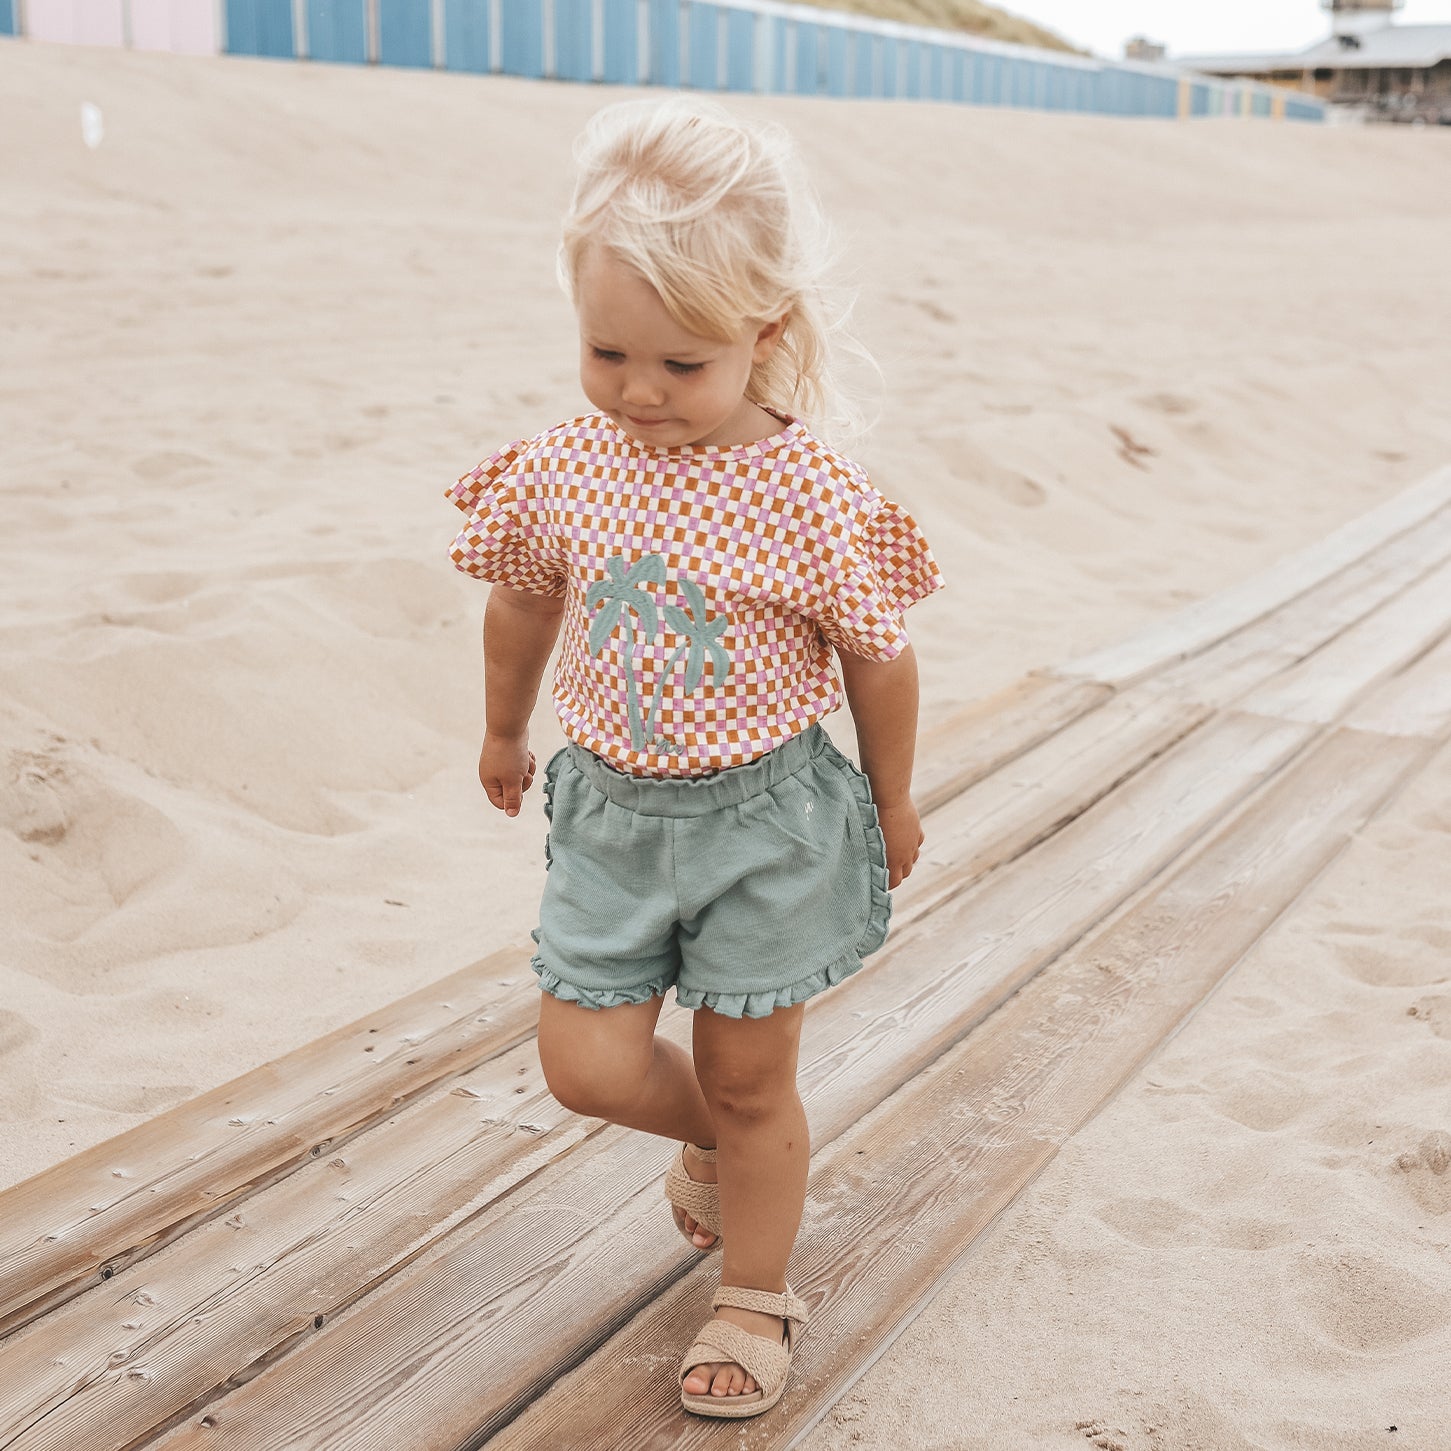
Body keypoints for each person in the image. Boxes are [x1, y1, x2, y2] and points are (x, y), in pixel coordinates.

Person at [445, 95, 943, 1421]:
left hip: (766, 825)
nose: (639, 392)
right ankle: (741, 1150)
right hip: (611, 819)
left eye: (682, 362)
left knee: (747, 1074)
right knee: (587, 1068)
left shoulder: (804, 492)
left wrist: (892, 797)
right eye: (607, 351)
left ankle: (755, 1290)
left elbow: (878, 658)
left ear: (763, 334)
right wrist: (504, 725)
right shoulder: (569, 465)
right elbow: (524, 596)